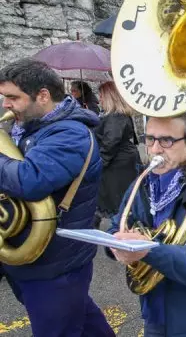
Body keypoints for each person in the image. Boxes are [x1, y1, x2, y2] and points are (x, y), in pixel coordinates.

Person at [0, 58, 114, 336]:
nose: (5, 105)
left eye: (13, 97)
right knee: (82, 321)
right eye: (4, 97)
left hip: (55, 264)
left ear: (43, 95)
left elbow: (30, 180)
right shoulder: (32, 126)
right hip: (42, 259)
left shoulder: (70, 134)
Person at [107, 113, 186, 336]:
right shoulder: (144, 184)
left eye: (166, 141)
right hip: (155, 316)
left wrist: (148, 250)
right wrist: (115, 245)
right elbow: (116, 226)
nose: (155, 150)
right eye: (149, 139)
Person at [94, 81, 140, 224]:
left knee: (118, 204)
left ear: (109, 97)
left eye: (101, 96)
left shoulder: (115, 117)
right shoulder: (118, 115)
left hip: (117, 166)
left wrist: (98, 165)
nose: (99, 99)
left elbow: (110, 143)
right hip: (120, 163)